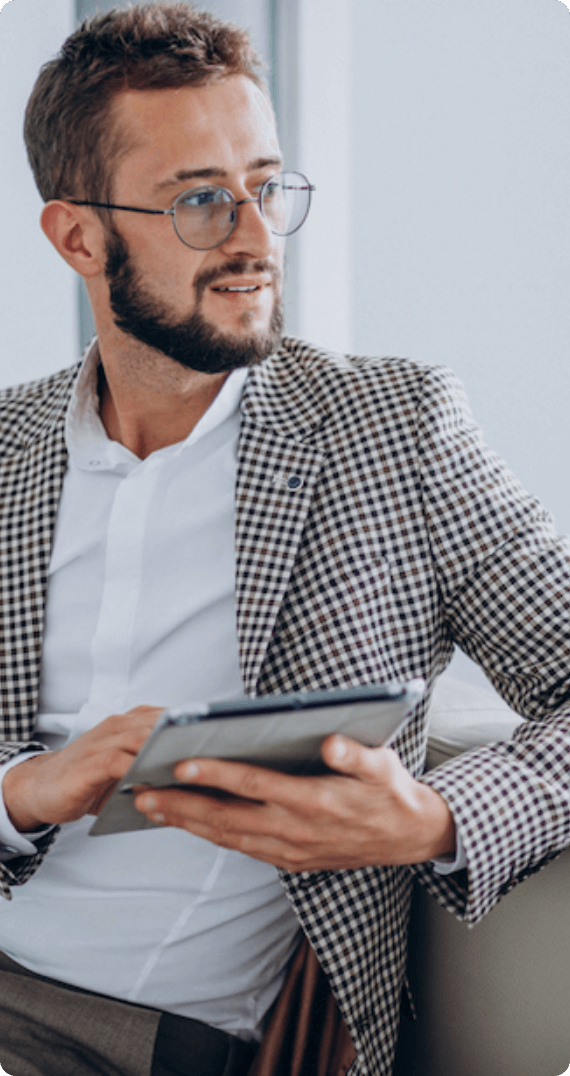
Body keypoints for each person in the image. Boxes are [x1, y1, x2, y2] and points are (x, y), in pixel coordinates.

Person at [0, 4, 568, 1076]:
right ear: (79, 236)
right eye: (203, 202)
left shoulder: (396, 432)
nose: (258, 239)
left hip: (153, 1033)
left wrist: (438, 816)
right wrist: (22, 791)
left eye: (268, 188)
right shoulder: (1, 451)